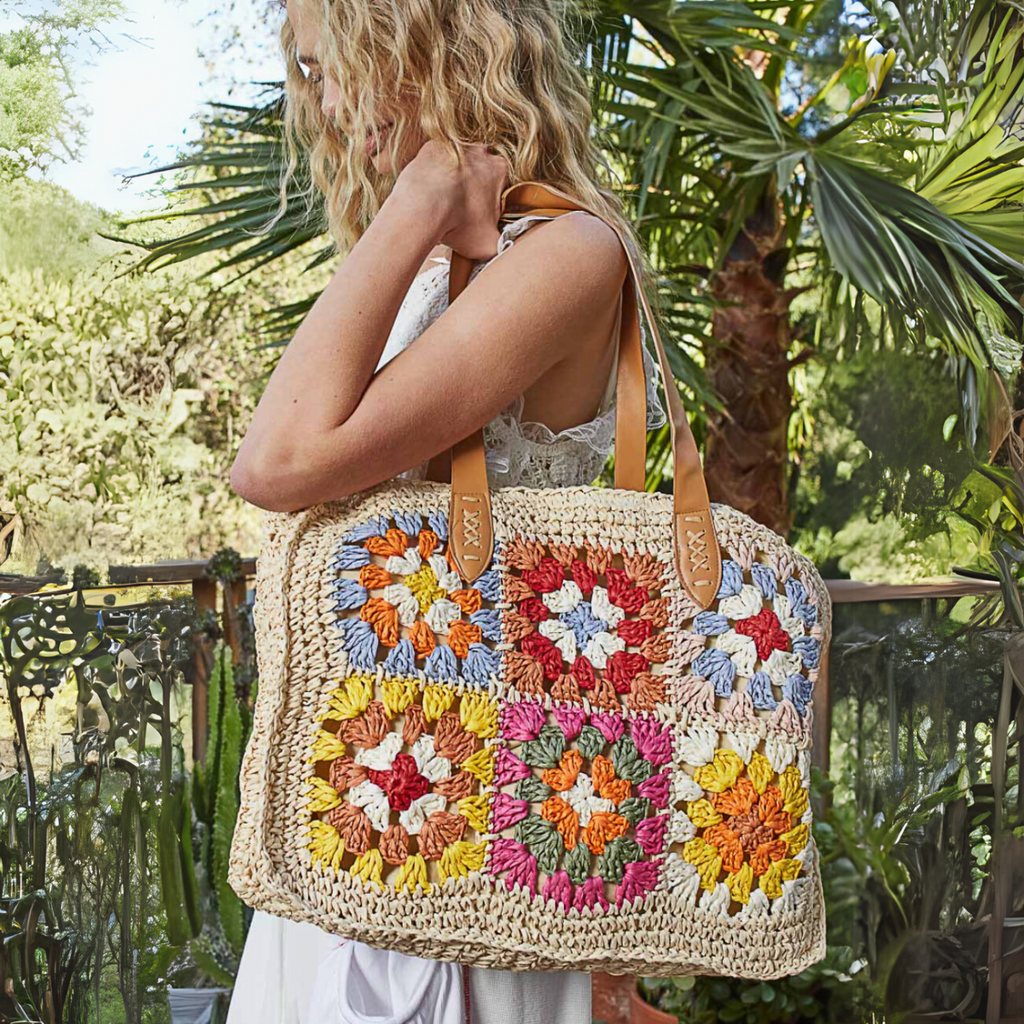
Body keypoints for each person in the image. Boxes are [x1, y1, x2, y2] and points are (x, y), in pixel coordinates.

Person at [226, 0, 666, 1021]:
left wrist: (422, 192)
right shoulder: (443, 264)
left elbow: (278, 458)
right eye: (308, 76)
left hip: (471, 808)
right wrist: (419, 214)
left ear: (414, 42)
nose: (327, 105)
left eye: (328, 66)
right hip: (373, 784)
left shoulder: (567, 252)